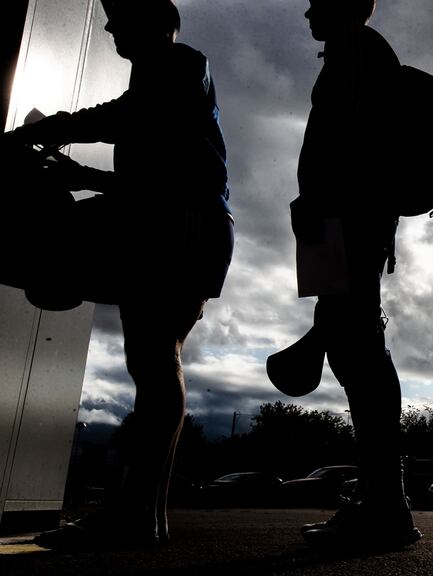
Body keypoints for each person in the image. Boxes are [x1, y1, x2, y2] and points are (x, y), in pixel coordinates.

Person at [2, 0, 233, 549]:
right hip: (174, 222)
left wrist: (51, 129)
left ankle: (134, 515)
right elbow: (154, 175)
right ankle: (140, 515)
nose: (108, 28)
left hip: (179, 227)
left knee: (154, 360)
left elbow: (129, 115)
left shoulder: (179, 62)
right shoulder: (169, 88)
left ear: (153, 24)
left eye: (119, 19)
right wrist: (81, 171)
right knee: (152, 361)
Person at [291, 0, 420, 552]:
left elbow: (350, 144)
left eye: (317, 2)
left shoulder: (361, 54)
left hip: (346, 219)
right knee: (351, 346)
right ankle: (379, 498)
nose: (306, 12)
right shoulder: (349, 55)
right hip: (337, 219)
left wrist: (323, 205)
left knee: (358, 347)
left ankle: (384, 503)